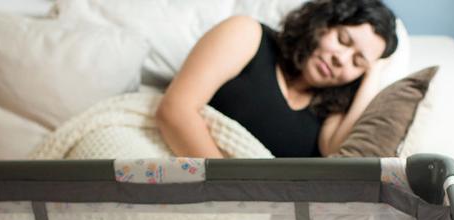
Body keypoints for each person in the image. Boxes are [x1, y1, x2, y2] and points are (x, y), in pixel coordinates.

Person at [156, 0, 398, 159]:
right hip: (214, 189)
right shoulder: (247, 35)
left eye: (357, 62)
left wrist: (372, 74)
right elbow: (175, 110)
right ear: (323, 23)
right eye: (343, 40)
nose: (341, 60)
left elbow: (338, 153)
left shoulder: (330, 112)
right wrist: (235, 195)